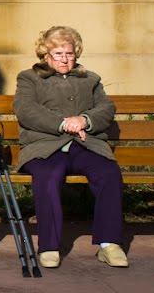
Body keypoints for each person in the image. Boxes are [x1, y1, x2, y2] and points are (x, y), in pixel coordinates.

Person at [13, 25, 128, 268]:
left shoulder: (90, 79)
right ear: (46, 55)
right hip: (45, 146)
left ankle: (109, 244)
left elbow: (106, 108)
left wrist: (84, 120)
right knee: (48, 175)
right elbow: (26, 110)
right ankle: (49, 247)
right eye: (58, 54)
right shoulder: (29, 78)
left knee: (108, 172)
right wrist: (63, 123)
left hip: (85, 144)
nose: (64, 59)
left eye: (69, 54)